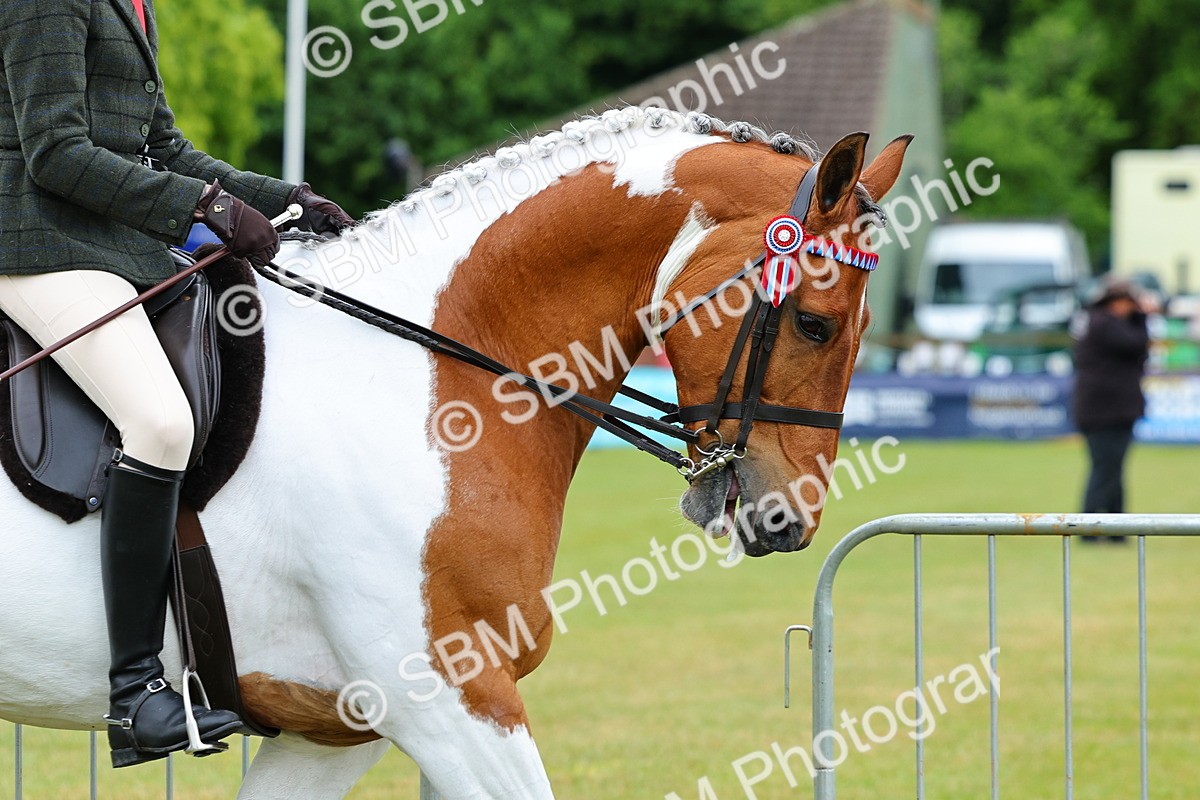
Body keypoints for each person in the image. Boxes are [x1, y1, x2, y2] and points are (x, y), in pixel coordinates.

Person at [0, 0, 353, 767]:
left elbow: (162, 147)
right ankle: (135, 694)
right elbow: (55, 152)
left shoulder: (132, 4)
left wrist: (279, 195)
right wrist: (202, 207)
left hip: (107, 247)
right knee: (158, 421)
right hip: (34, 244)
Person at [1072, 278, 1154, 537]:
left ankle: (1116, 528)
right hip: (1107, 410)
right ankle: (1088, 527)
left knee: (1111, 468)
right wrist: (1142, 318)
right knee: (1106, 469)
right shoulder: (1106, 323)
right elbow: (1137, 344)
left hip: (1101, 408)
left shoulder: (1093, 320)